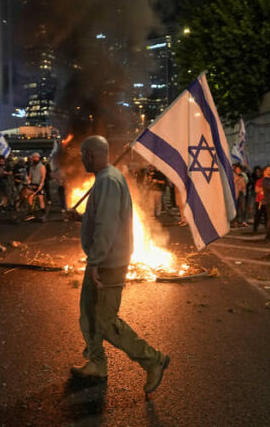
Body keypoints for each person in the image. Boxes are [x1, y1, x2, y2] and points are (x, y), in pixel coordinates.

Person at [66, 135, 170, 394]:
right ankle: (96, 363)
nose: (81, 159)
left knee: (105, 320)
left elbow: (107, 226)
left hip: (108, 263)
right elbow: (101, 218)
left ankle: (152, 359)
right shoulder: (105, 178)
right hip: (103, 260)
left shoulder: (108, 181)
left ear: (91, 154)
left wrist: (95, 262)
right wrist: (81, 218)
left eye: (83, 155)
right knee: (89, 313)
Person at [26, 152, 47, 221]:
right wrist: (28, 181)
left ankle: (43, 215)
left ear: (38, 158)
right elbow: (30, 176)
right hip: (33, 184)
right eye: (33, 157)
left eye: (35, 157)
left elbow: (43, 176)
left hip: (39, 184)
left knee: (41, 199)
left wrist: (41, 184)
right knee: (30, 198)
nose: (34, 159)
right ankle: (32, 214)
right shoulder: (31, 167)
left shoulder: (42, 166)